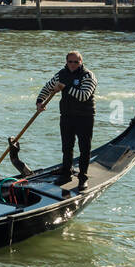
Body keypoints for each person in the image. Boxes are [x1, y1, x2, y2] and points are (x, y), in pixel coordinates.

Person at [36, 50, 97, 190]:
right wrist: (39, 102)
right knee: (67, 147)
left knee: (84, 149)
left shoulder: (88, 76)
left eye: (76, 62)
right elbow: (48, 87)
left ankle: (83, 178)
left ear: (81, 62)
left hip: (85, 117)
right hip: (67, 116)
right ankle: (66, 174)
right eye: (70, 61)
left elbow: (83, 96)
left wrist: (65, 87)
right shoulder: (61, 74)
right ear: (66, 62)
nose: (73, 64)